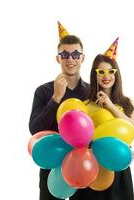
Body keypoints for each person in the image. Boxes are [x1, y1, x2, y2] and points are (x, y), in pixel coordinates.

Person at [70, 37, 134, 200]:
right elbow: (81, 139)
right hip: (91, 168)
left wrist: (110, 106)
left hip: (118, 168)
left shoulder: (125, 102)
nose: (106, 76)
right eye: (101, 71)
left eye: (110, 71)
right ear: (95, 75)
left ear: (117, 74)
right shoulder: (85, 104)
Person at [29, 22, 89, 200]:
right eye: (65, 54)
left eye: (75, 54)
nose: (70, 59)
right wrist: (56, 98)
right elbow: (34, 129)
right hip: (52, 165)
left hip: (85, 167)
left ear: (83, 58)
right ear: (58, 58)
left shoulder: (92, 92)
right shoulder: (43, 91)